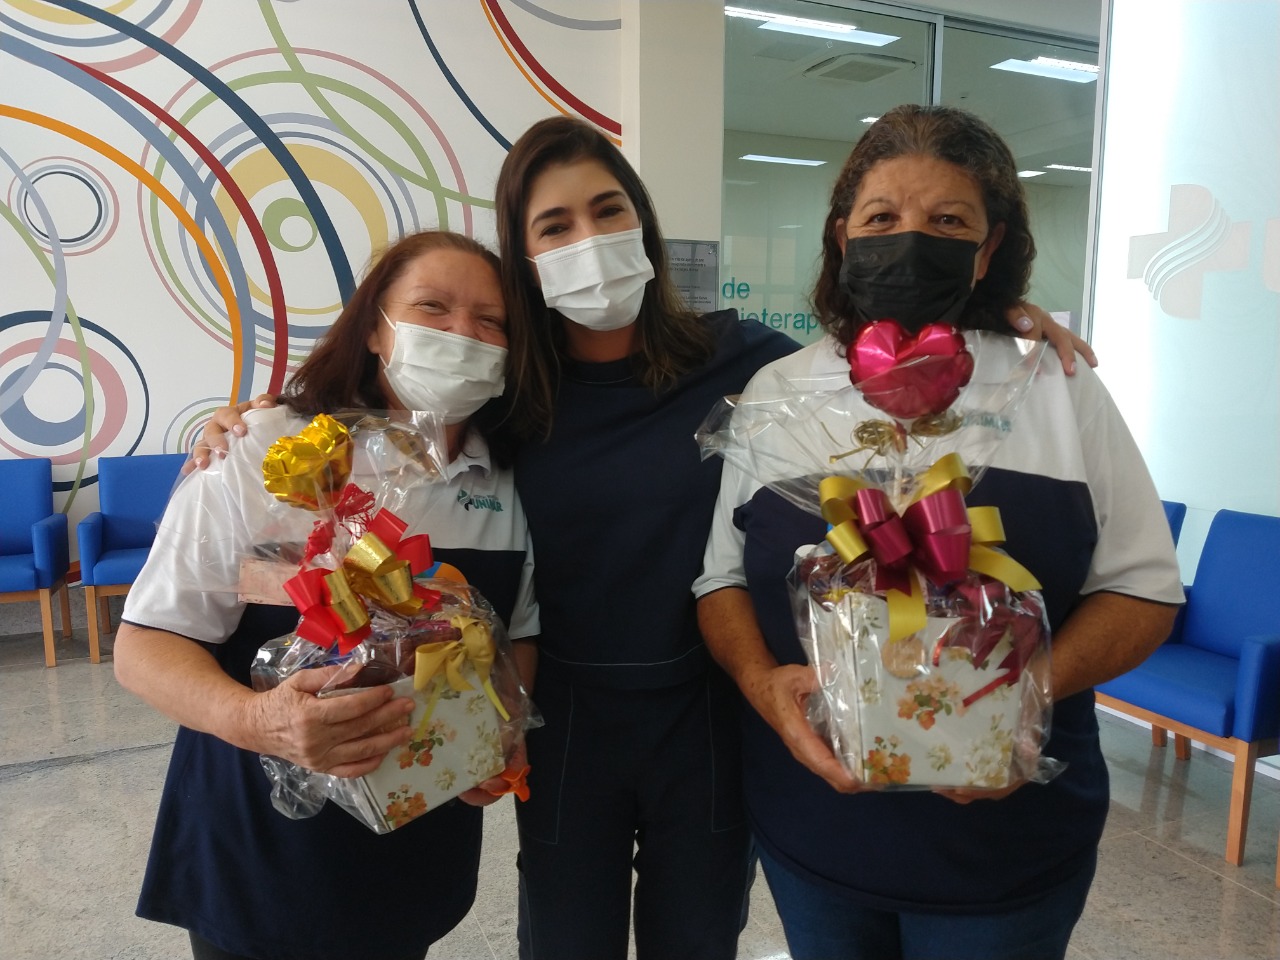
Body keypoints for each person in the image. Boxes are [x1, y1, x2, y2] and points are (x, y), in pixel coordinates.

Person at [193, 116, 1094, 960]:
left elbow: (872, 355)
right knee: (565, 940)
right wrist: (252, 420)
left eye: (608, 210)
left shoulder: (746, 361)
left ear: (644, 225)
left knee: (696, 937)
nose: (587, 239)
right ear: (526, 256)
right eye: (554, 226)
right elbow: (396, 405)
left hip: (705, 719)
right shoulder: (510, 393)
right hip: (563, 723)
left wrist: (1006, 319)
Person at [693, 103, 1184, 960]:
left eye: (949, 221)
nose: (910, 241)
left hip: (1006, 846)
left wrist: (1025, 699)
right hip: (815, 832)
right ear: (842, 237)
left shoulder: (1055, 387)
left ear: (989, 250)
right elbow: (720, 580)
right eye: (881, 218)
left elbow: (1144, 589)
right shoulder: (779, 394)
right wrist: (763, 684)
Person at [113, 230, 538, 960]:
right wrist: (259, 722)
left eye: (490, 320)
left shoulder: (510, 481)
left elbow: (518, 634)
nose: (462, 334)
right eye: (432, 308)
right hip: (256, 852)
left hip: (414, 852)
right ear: (374, 326)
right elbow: (145, 645)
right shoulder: (266, 450)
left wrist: (494, 734)